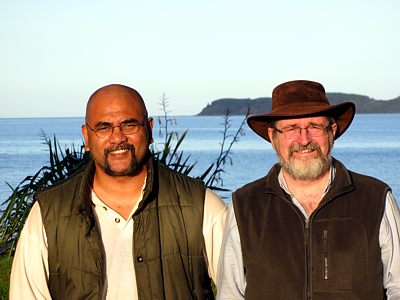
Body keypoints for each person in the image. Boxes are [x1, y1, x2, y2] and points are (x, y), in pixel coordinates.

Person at [10, 84, 227, 299]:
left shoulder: (200, 205)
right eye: (104, 127)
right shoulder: (49, 213)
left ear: (149, 129)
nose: (117, 138)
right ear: (87, 137)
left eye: (129, 124)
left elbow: (240, 289)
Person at [216, 80, 400, 299]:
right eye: (291, 128)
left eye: (314, 127)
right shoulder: (245, 206)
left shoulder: (375, 198)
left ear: (331, 132)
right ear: (273, 138)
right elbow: (230, 294)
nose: (304, 140)